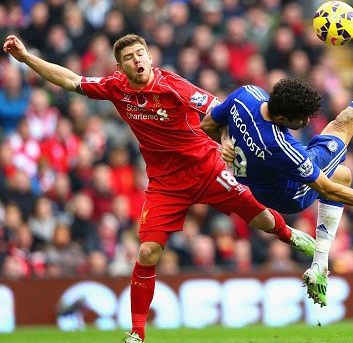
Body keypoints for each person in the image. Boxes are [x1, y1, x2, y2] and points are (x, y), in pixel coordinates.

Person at [3, 33, 317, 343]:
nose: (136, 59)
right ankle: (137, 334)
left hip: (205, 166)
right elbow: (71, 80)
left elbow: (220, 112)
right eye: (128, 57)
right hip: (165, 184)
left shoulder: (174, 86)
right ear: (120, 66)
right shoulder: (116, 88)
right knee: (147, 252)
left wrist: (224, 140)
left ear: (151, 57)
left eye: (140, 53)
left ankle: (291, 235)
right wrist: (27, 58)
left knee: (257, 215)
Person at [200, 7, 353, 307]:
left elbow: (208, 123)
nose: (305, 124)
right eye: (301, 120)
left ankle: (319, 266)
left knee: (342, 174)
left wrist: (226, 141)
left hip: (257, 179)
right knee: (346, 123)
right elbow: (324, 189)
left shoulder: (246, 95)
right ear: (284, 117)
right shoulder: (283, 148)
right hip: (285, 194)